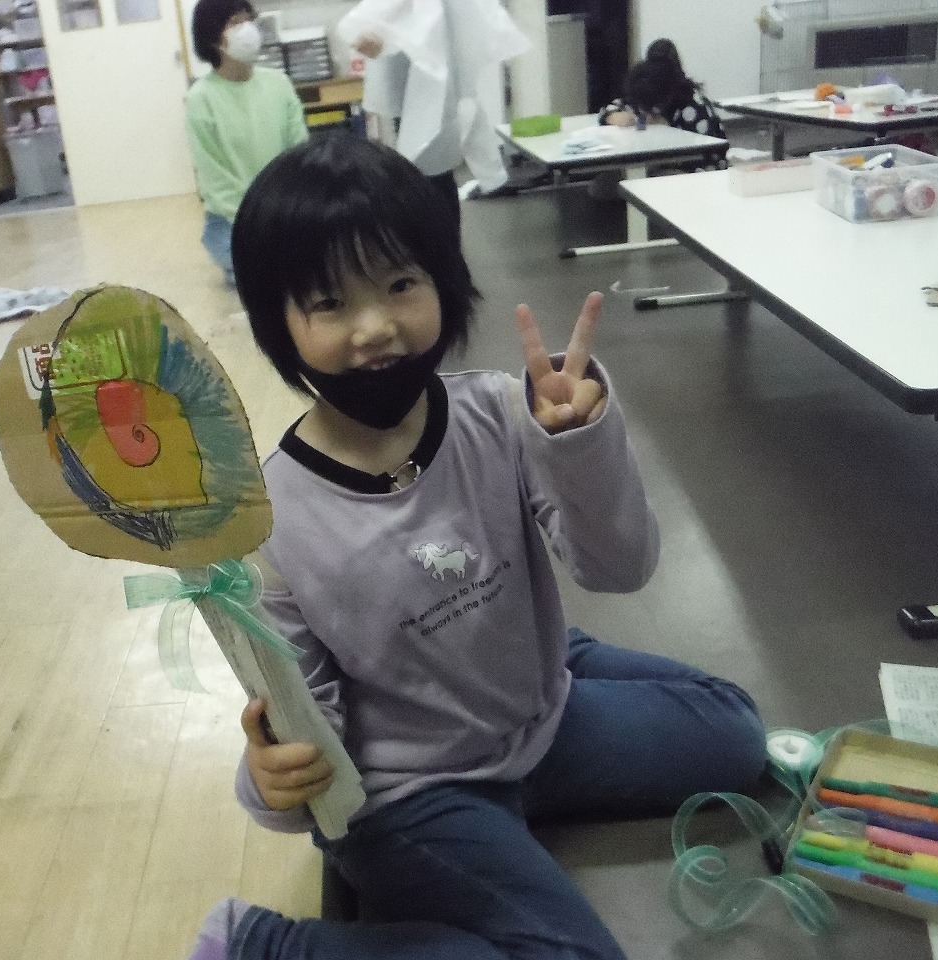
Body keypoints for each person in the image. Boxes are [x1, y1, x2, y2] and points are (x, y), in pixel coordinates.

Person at [184, 133, 767, 960]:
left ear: (443, 280)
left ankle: (539, 651)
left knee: (738, 736)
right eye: (330, 303)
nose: (375, 327)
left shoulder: (497, 411)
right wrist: (269, 777)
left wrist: (578, 443)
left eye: (400, 284)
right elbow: (305, 729)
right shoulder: (270, 521)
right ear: (278, 324)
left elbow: (619, 568)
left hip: (536, 722)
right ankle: (263, 946)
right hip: (409, 792)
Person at [336, 0, 529, 223]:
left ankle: (439, 240)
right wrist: (375, 28)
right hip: (409, 63)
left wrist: (376, 29)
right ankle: (437, 238)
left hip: (431, 62)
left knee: (430, 164)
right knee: (423, 165)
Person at [185, 0, 308, 287]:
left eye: (248, 19)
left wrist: (286, 209)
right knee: (257, 273)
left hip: (284, 209)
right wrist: (258, 220)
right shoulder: (201, 98)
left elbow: (299, 152)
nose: (247, 29)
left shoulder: (279, 83)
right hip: (231, 219)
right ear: (212, 37)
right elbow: (215, 178)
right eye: (234, 23)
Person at [598, 39, 724, 139]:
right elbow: (611, 108)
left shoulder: (691, 103)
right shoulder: (643, 89)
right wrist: (612, 116)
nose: (651, 112)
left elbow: (707, 145)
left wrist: (666, 126)